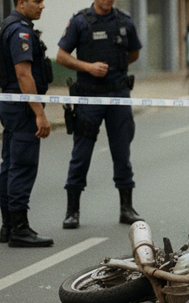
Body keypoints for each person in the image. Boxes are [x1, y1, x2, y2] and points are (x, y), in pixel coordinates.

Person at [56, 0, 143, 229]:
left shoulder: (124, 20)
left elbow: (134, 52)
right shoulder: (80, 21)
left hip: (118, 95)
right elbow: (61, 56)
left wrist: (118, 65)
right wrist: (88, 67)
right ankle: (72, 211)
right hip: (89, 96)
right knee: (81, 153)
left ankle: (126, 208)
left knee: (122, 152)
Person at [0, 0, 53, 247]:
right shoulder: (20, 30)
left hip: (10, 103)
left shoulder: (6, 25)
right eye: (37, 1)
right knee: (23, 165)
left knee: (10, 163)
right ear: (21, 3)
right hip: (22, 106)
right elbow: (23, 74)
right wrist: (39, 112)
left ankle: (8, 226)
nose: (43, 6)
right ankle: (19, 228)